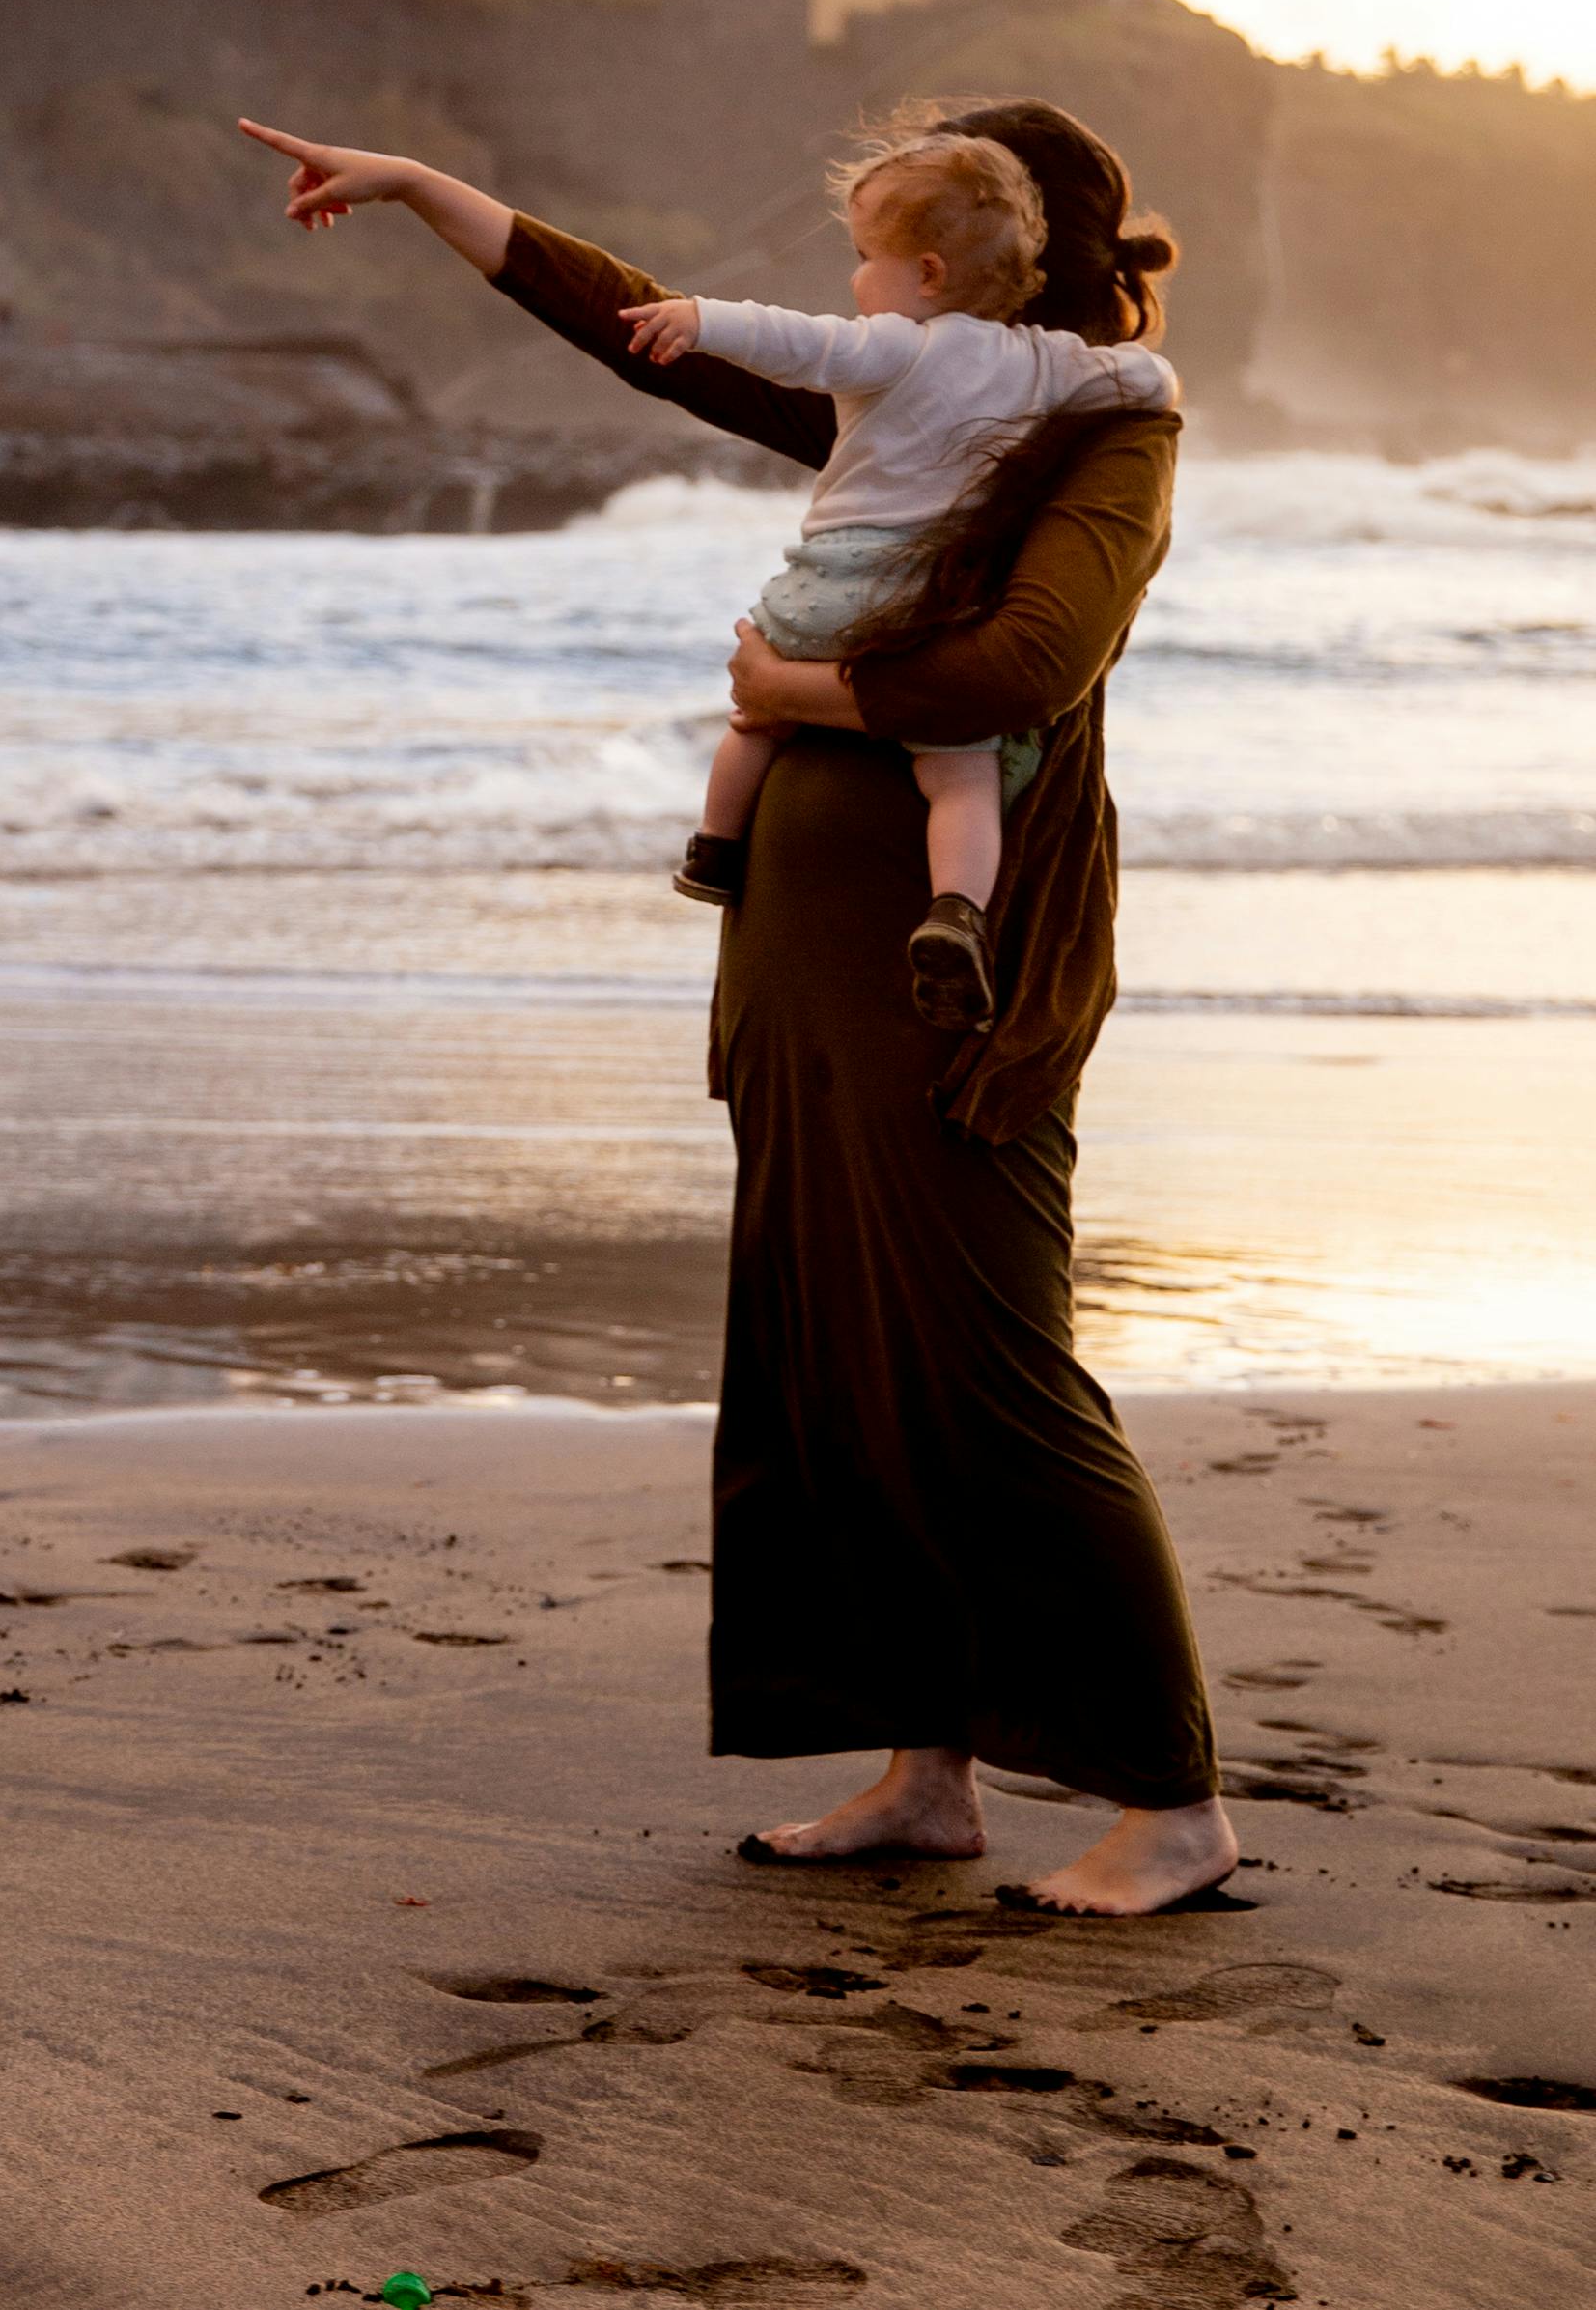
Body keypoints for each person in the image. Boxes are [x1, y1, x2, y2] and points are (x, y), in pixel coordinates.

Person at [236, 94, 1235, 1921]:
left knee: (987, 1359)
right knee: (828, 1338)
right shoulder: (914, 401)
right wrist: (422, 192)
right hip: (795, 931)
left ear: (1021, 248)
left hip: (957, 963)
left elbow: (1033, 663)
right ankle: (924, 1771)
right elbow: (648, 331)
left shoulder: (1098, 429)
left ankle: (1170, 1800)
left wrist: (802, 682)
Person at [629, 125, 1178, 1033]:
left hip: (826, 585)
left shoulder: (896, 349)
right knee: (960, 778)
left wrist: (695, 316)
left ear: (925, 274)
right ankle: (955, 908)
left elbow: (788, 341)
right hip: (920, 605)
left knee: (755, 713)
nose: (853, 280)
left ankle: (713, 847)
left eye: (861, 257)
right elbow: (1144, 381)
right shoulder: (1045, 370)